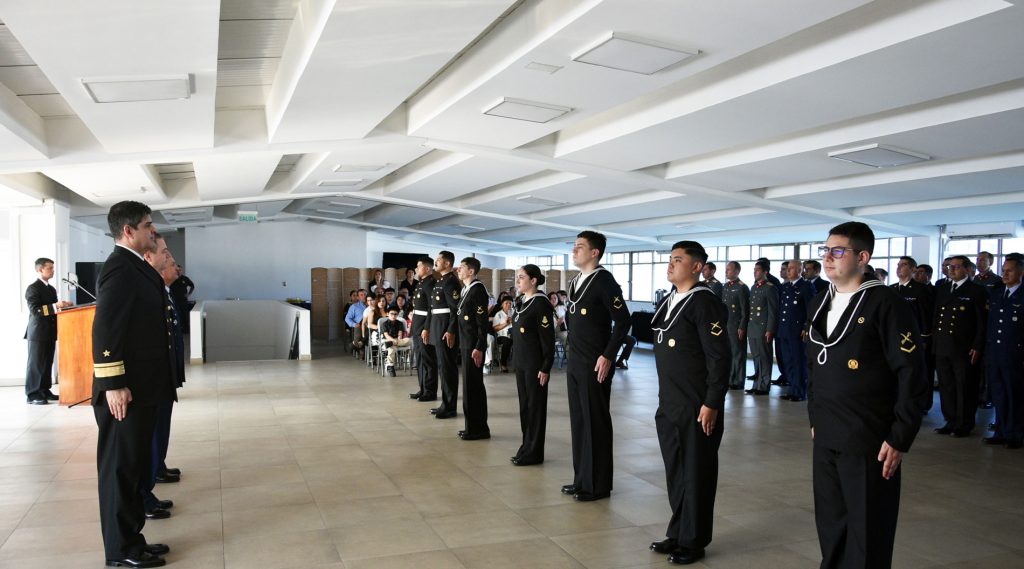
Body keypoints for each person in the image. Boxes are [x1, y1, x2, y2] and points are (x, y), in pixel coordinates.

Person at [806, 222, 929, 569]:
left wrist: (901, 435)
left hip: (868, 436)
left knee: (867, 529)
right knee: (831, 523)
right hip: (827, 432)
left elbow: (911, 373)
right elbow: (814, 368)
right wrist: (815, 419)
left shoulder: (885, 303)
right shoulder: (820, 301)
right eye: (825, 250)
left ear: (863, 257)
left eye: (838, 251)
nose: (828, 258)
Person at [92, 200, 175, 568]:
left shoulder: (134, 266)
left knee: (134, 468)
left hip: (142, 389)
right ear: (128, 231)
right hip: (125, 392)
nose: (151, 232)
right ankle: (121, 552)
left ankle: (133, 540)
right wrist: (114, 383)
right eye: (147, 226)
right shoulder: (119, 269)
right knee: (120, 472)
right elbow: (107, 327)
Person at [648, 241, 729, 566]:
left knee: (696, 474)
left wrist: (712, 403)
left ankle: (694, 541)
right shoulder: (672, 300)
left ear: (697, 267)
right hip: (670, 404)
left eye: (678, 260)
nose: (671, 265)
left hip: (697, 406)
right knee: (677, 473)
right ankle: (679, 531)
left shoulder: (704, 302)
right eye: (670, 259)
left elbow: (719, 358)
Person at [562, 231, 630, 502]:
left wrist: (608, 355)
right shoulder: (575, 281)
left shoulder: (604, 281)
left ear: (595, 253)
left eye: (580, 247)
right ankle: (582, 479)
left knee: (595, 423)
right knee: (579, 422)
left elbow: (623, 321)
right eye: (574, 246)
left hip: (595, 363)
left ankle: (598, 485)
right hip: (575, 362)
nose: (574, 251)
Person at [140, 235, 184, 520]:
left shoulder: (164, 293)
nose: (175, 266)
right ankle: (147, 487)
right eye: (168, 258)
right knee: (149, 435)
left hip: (164, 376)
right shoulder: (149, 293)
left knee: (161, 429)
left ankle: (158, 467)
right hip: (150, 381)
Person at [933, 255, 987, 437]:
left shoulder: (976, 291)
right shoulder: (943, 288)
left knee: (964, 386)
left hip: (963, 347)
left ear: (966, 269)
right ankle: (950, 420)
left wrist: (978, 345)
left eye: (956, 267)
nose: (952, 270)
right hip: (942, 344)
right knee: (946, 385)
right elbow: (936, 318)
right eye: (949, 267)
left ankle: (964, 423)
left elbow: (982, 322)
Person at [510, 264, 556, 466]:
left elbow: (547, 338)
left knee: (535, 409)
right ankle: (526, 446)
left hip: (535, 364)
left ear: (534, 280)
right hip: (521, 362)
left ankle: (534, 452)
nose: (517, 281)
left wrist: (546, 366)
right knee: (525, 408)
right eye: (517, 277)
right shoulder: (522, 301)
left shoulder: (540, 303)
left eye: (521, 277)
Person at [984, 253, 1023, 449]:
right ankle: (1000, 430)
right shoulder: (998, 293)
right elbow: (991, 325)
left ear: (1021, 272)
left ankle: (1015, 433)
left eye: (1009, 270)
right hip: (996, 353)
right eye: (1003, 270)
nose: (1005, 274)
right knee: (998, 393)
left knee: (1014, 395)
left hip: (1015, 355)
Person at [24, 257, 72, 404]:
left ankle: (44, 390)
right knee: (36, 364)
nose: (53, 270)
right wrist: (56, 305)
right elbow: (36, 310)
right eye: (49, 268)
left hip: (50, 331)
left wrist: (63, 306)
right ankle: (33, 394)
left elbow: (53, 309)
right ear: (40, 269)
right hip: (38, 332)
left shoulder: (51, 289)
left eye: (53, 267)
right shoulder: (33, 288)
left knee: (47, 363)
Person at [456, 257, 490, 440]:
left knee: (474, 387)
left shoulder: (477, 290)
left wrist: (479, 346)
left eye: (461, 268)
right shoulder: (466, 289)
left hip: (473, 346)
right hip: (465, 342)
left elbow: (482, 322)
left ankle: (479, 429)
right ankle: (472, 426)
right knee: (469, 387)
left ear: (471, 271)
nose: (458, 270)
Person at [425, 251, 460, 419]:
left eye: (439, 259)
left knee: (448, 368)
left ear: (447, 264)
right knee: (442, 367)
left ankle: (450, 407)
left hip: (445, 328)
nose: (436, 262)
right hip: (437, 326)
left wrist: (451, 330)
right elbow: (433, 308)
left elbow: (455, 310)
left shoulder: (452, 281)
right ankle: (445, 404)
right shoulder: (440, 281)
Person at [778, 259, 814, 402]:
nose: (788, 271)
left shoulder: (805, 287)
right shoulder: (786, 287)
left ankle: (799, 392)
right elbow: (782, 310)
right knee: (788, 362)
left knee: (798, 362)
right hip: (785, 330)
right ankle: (792, 389)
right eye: (788, 268)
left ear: (800, 270)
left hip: (797, 331)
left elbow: (811, 309)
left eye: (792, 268)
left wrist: (806, 327)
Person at [745, 260, 777, 396]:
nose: (755, 272)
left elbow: (773, 311)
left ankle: (764, 386)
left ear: (765, 272)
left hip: (763, 329)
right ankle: (756, 384)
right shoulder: (754, 287)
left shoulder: (770, 288)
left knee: (764, 358)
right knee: (756, 358)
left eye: (757, 270)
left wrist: (770, 329)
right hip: (752, 328)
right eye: (754, 269)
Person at [409, 257, 438, 401]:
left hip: (424, 328)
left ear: (427, 268)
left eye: (418, 266)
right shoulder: (421, 283)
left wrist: (427, 328)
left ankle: (430, 391)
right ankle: (423, 388)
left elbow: (431, 308)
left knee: (428, 360)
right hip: (417, 325)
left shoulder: (431, 284)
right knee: (419, 359)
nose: (416, 269)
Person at [722, 261, 749, 390]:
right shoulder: (725, 286)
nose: (726, 272)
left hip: (736, 326)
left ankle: (738, 380)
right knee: (728, 354)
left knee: (738, 354)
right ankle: (730, 378)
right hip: (726, 325)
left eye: (729, 269)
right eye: (726, 269)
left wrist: (742, 326)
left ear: (737, 272)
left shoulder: (742, 287)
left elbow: (745, 310)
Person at [380, 308, 410, 377]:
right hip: (388, 340)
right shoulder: (384, 324)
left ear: (397, 315)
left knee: (409, 340)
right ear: (387, 314)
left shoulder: (400, 323)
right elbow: (386, 335)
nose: (393, 315)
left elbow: (400, 334)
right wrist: (393, 341)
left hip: (397, 340)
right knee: (392, 348)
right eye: (391, 314)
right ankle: (391, 366)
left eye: (395, 314)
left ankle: (390, 365)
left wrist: (396, 340)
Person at [169, 265, 194, 333]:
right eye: (177, 270)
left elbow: (192, 286)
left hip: (183, 300)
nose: (178, 271)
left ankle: (186, 329)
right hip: (174, 300)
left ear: (181, 271)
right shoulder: (172, 278)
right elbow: (167, 286)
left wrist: (188, 294)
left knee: (185, 314)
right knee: (176, 314)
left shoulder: (185, 278)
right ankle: (178, 329)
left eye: (180, 270)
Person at [492, 298, 513, 373]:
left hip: (513, 334)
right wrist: (506, 323)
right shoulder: (499, 314)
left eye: (510, 303)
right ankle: (503, 363)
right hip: (502, 336)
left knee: (520, 341)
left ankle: (519, 364)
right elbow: (495, 328)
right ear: (502, 305)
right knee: (507, 342)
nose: (508, 305)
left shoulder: (514, 312)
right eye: (506, 303)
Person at [345, 289, 367, 356]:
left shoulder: (371, 305)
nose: (364, 296)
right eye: (361, 295)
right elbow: (347, 318)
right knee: (360, 325)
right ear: (358, 297)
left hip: (369, 326)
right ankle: (359, 346)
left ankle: (355, 344)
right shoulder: (354, 306)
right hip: (359, 326)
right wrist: (354, 324)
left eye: (365, 294)